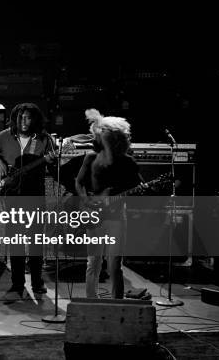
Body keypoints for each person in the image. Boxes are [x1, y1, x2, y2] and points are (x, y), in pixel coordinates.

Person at [0, 103, 54, 297]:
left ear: (35, 120)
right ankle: (17, 283)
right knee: (15, 241)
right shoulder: (4, 136)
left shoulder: (44, 139)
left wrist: (52, 160)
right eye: (20, 117)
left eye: (28, 118)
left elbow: (56, 165)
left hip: (35, 196)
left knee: (35, 242)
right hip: (12, 197)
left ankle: (37, 283)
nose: (23, 122)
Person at [75, 109, 144, 299]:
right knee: (93, 263)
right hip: (93, 216)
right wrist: (86, 200)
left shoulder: (127, 162)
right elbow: (79, 182)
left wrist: (130, 195)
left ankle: (117, 303)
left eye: (98, 136)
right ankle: (91, 301)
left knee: (115, 265)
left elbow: (139, 189)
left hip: (116, 218)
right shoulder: (90, 158)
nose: (94, 139)